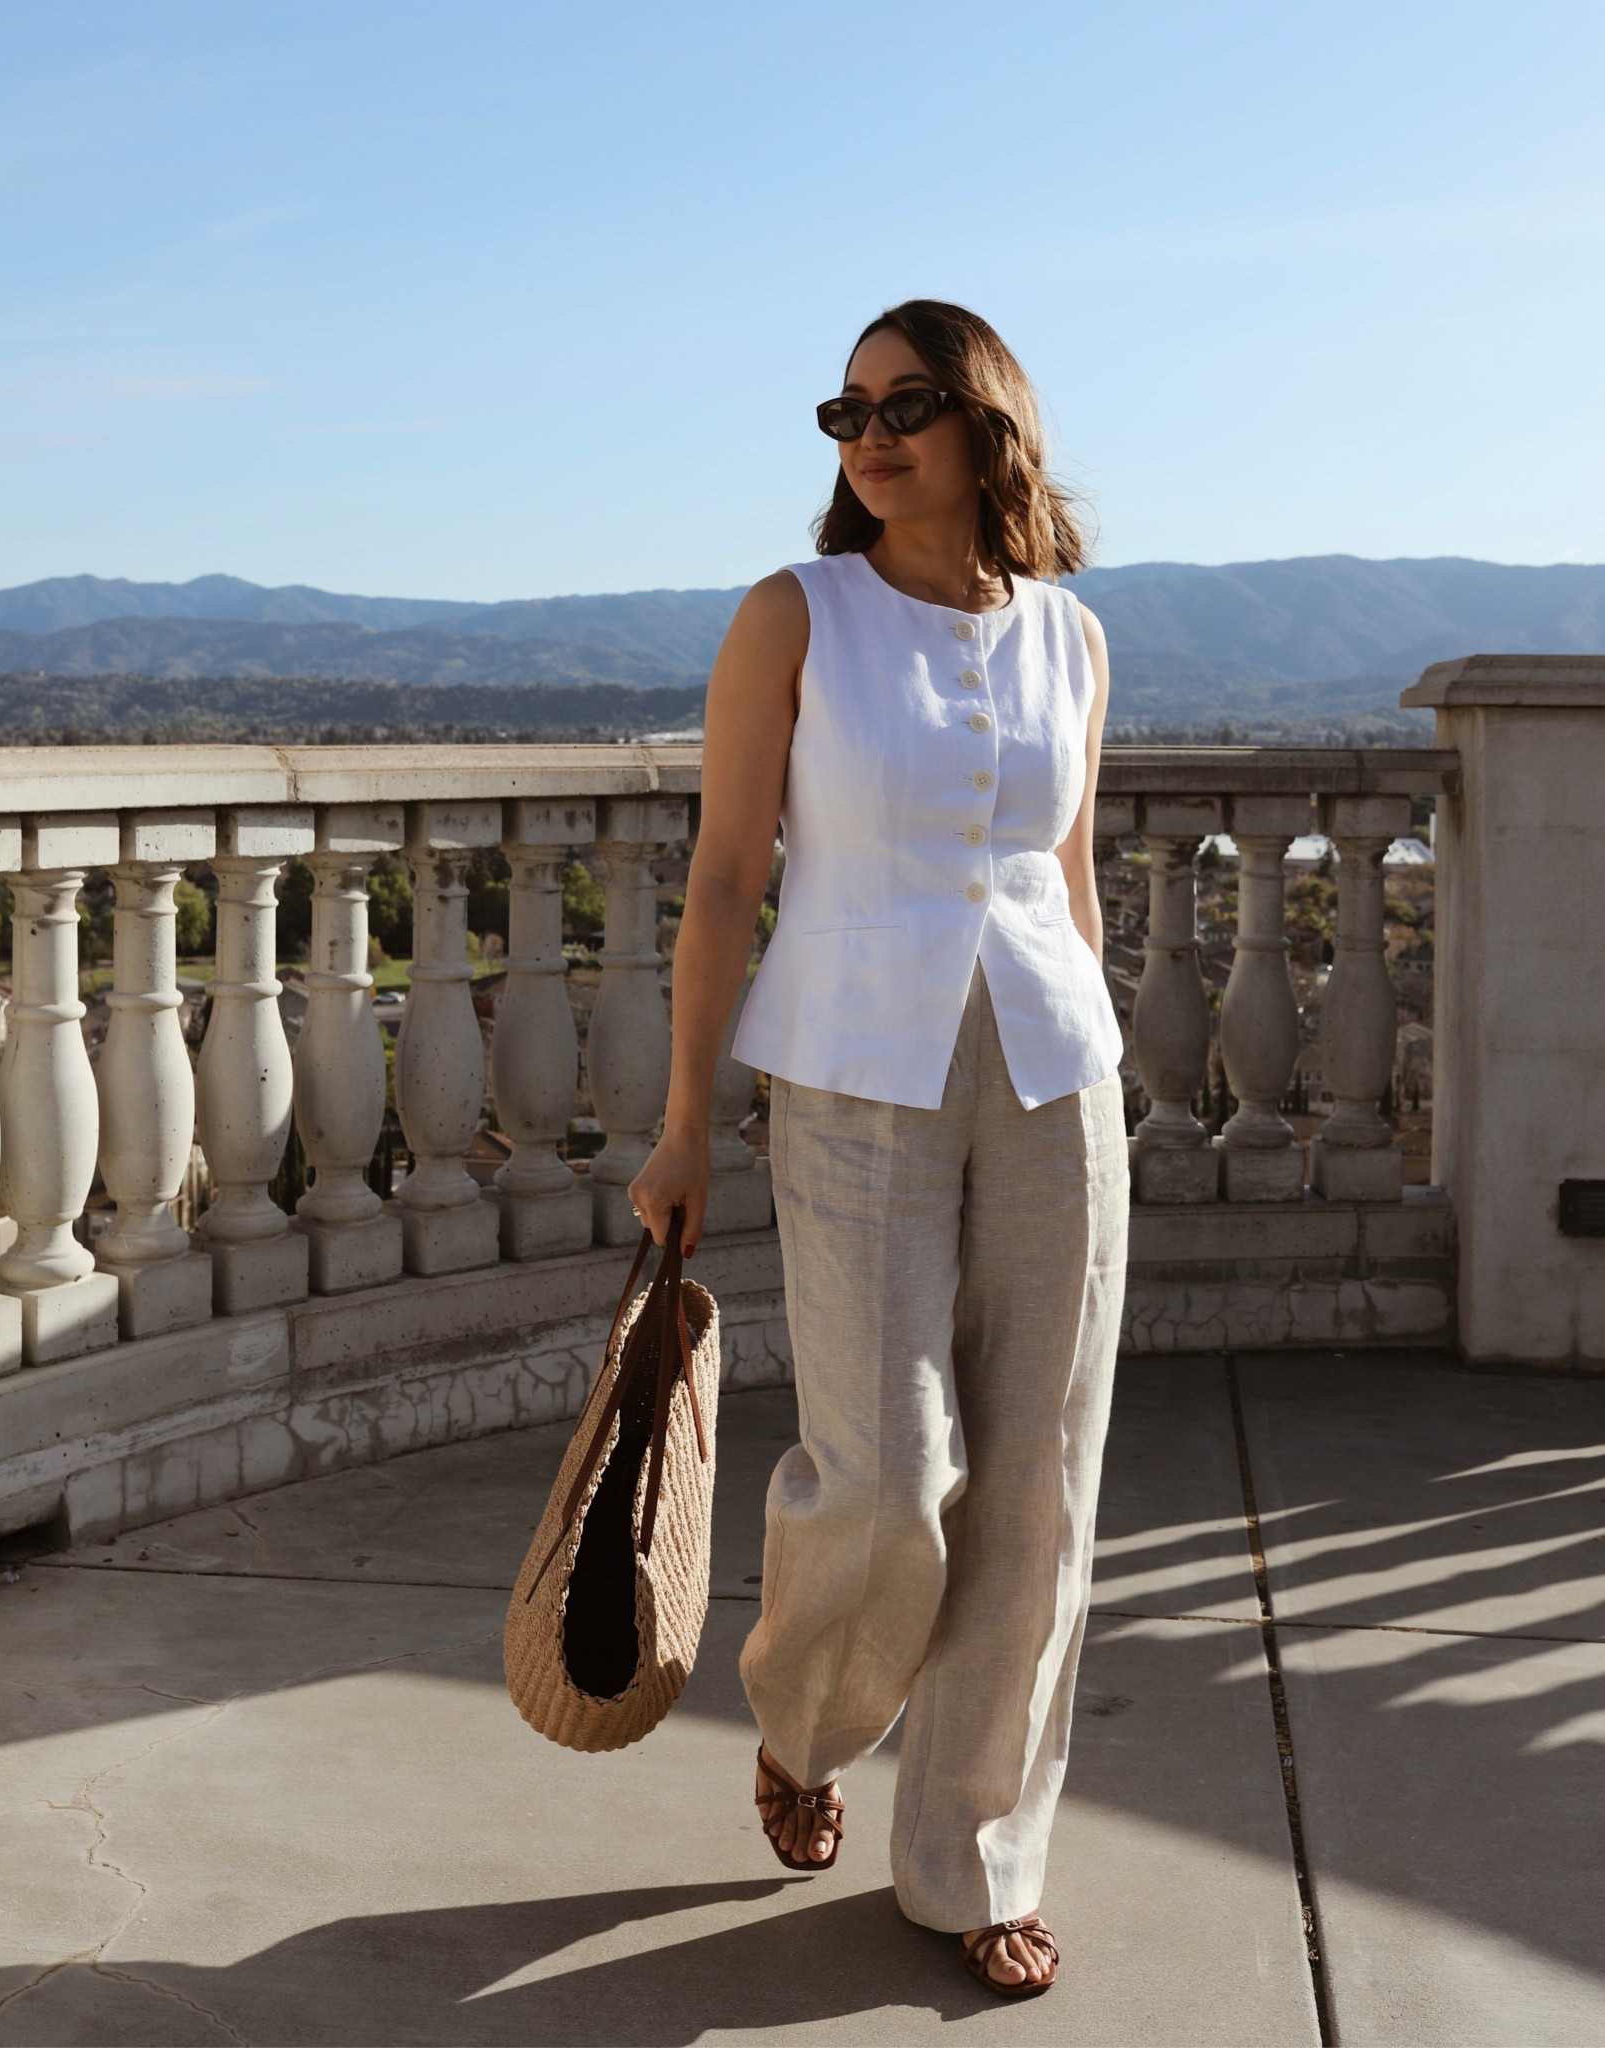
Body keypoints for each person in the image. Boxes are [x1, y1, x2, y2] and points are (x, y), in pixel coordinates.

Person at [628, 298, 1130, 1999]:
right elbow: (721, 880)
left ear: (991, 421)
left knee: (1042, 1486)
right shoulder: (797, 617)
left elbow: (1063, 882)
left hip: (1055, 1077)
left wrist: (1093, 1046)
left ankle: (974, 1854)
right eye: (843, 411)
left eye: (905, 402)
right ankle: (807, 1723)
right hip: (849, 1077)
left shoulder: (1072, 637)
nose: (869, 435)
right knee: (894, 1472)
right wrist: (689, 1119)